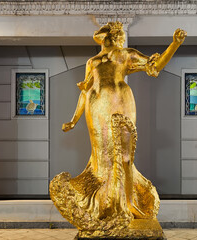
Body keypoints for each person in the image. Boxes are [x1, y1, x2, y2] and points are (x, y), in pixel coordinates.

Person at [50, 21, 186, 234]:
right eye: (117, 34)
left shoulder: (126, 54)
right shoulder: (92, 61)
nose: (120, 37)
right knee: (101, 156)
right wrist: (74, 120)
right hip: (96, 109)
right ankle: (105, 208)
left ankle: (128, 204)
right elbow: (85, 92)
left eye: (120, 34)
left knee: (123, 155)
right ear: (109, 36)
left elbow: (155, 67)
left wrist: (174, 45)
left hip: (121, 102)